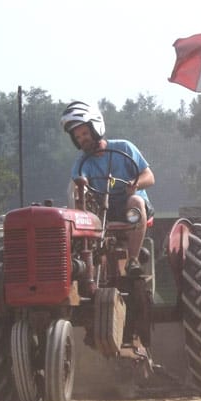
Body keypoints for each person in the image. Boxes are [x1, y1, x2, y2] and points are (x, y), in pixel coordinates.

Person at [61, 100, 155, 276]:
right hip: (103, 210)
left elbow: (149, 177)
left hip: (131, 209)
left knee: (135, 201)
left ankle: (133, 261)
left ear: (96, 128)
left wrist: (135, 184)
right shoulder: (82, 162)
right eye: (78, 137)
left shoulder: (124, 147)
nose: (83, 139)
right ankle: (88, 265)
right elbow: (78, 183)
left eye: (85, 133)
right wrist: (82, 186)